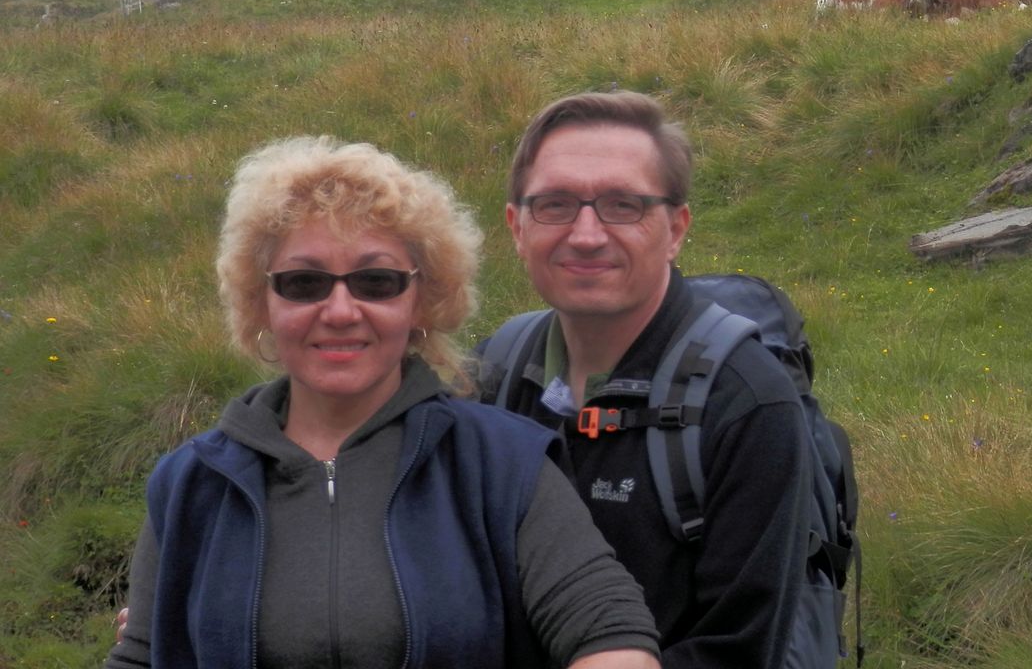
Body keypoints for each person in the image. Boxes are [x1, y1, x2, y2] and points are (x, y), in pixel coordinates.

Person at [109, 136, 659, 669]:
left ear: (423, 298)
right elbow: (144, 653)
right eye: (304, 283)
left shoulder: (503, 463)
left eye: (377, 282)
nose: (342, 310)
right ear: (262, 303)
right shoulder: (191, 482)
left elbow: (609, 631)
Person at [491, 91, 810, 667]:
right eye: (556, 205)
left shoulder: (747, 403)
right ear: (516, 227)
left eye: (623, 205)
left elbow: (738, 650)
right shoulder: (494, 373)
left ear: (676, 228)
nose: (586, 235)